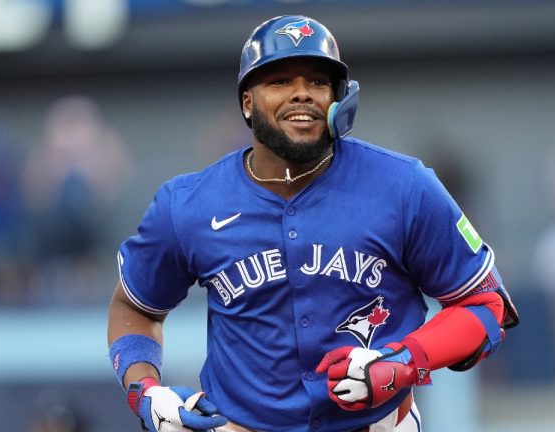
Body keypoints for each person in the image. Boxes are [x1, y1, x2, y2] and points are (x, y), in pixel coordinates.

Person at [107, 15, 519, 432]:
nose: (301, 94)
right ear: (248, 102)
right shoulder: (189, 204)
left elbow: (487, 306)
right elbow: (135, 308)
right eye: (280, 81)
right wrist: (145, 392)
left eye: (318, 83)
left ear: (339, 98)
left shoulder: (404, 186)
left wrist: (403, 360)